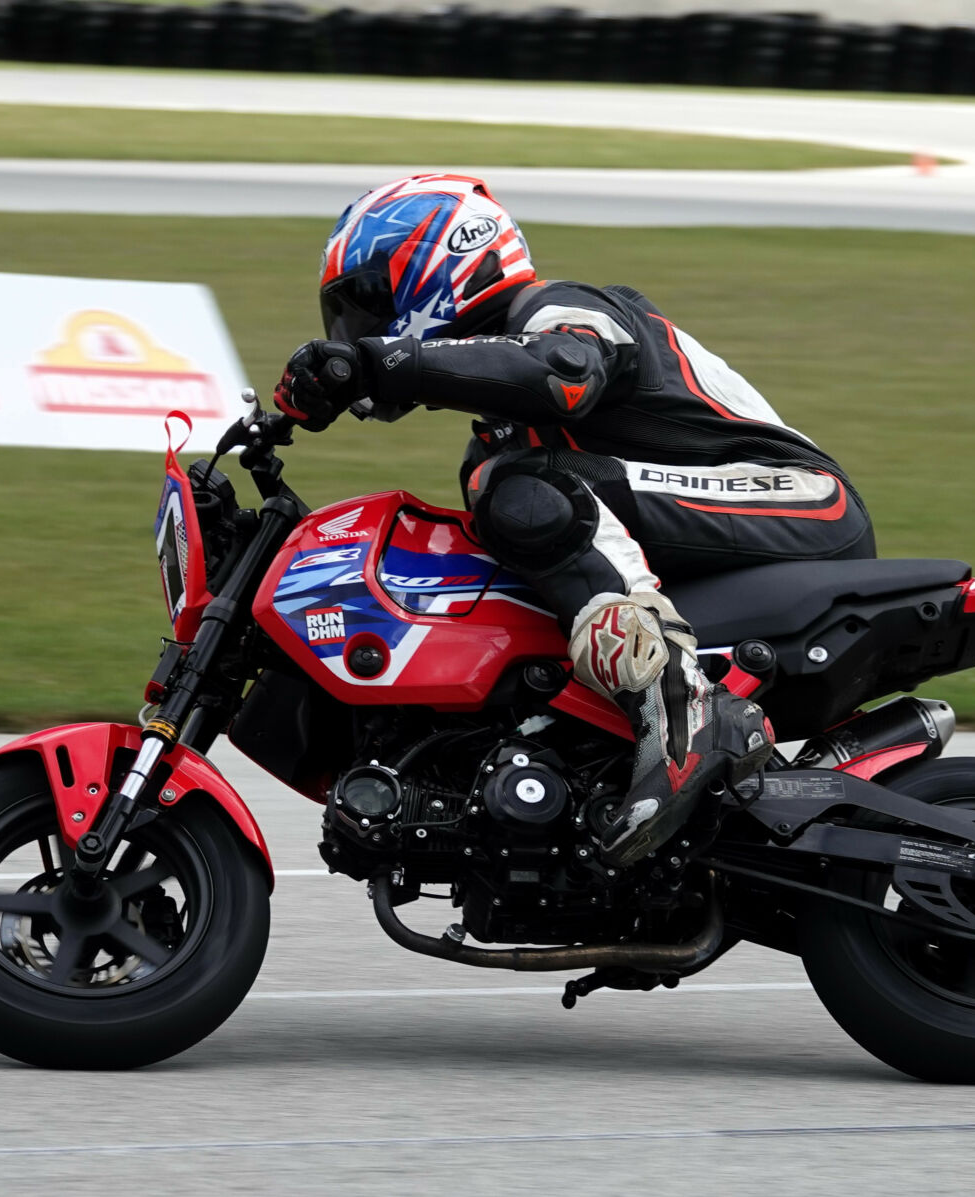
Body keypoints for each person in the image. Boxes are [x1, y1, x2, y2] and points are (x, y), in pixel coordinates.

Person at [272, 173, 876, 867]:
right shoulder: (496, 446)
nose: (359, 328)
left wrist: (379, 361)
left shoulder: (561, 309)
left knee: (524, 489)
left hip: (800, 500)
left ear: (443, 260)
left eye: (369, 302)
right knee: (505, 500)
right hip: (725, 528)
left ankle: (680, 705)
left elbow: (562, 372)